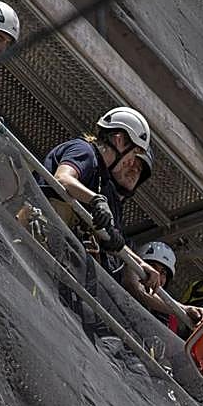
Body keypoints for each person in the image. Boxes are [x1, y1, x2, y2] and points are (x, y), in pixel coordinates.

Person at [41, 106, 162, 298]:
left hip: (50, 254)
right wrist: (96, 200)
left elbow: (109, 236)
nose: (131, 163)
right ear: (119, 140)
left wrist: (140, 264)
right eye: (132, 155)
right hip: (39, 237)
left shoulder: (100, 179)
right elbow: (62, 178)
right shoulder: (85, 151)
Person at [134, 242, 203, 331]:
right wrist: (181, 309)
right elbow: (136, 288)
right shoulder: (128, 274)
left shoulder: (168, 319)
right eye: (153, 266)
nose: (157, 274)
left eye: (163, 272)